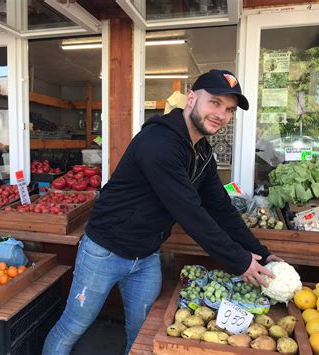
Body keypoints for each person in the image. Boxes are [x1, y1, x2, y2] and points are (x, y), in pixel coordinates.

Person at [42, 69, 282, 355]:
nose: (222, 114)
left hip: (145, 256)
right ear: (192, 99)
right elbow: (189, 212)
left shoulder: (202, 151)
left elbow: (220, 207)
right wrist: (240, 260)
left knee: (142, 332)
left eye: (229, 110)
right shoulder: (159, 143)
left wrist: (260, 252)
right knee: (73, 326)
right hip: (105, 252)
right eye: (215, 103)